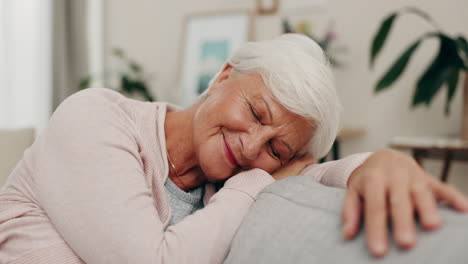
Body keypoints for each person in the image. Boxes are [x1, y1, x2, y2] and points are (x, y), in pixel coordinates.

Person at [0, 34, 467, 264]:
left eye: (277, 150)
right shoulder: (95, 117)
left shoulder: (223, 181)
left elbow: (318, 174)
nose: (251, 147)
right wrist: (256, 179)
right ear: (223, 76)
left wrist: (384, 163)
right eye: (257, 113)